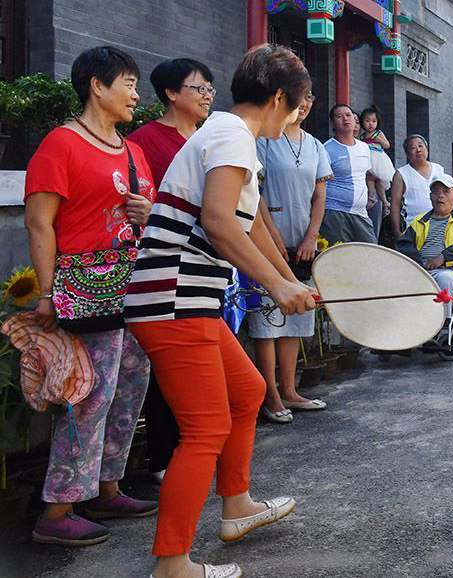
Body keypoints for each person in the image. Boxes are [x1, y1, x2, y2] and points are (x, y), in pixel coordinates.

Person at [124, 44, 317, 577]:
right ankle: (172, 564)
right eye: (300, 105)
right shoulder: (232, 134)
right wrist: (277, 289)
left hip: (187, 301)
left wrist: (291, 279)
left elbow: (247, 223)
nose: (300, 115)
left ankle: (236, 507)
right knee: (206, 429)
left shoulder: (234, 139)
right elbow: (218, 222)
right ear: (279, 97)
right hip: (174, 300)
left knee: (247, 390)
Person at [24, 45, 156, 547]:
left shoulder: (132, 149)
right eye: (128, 83)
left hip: (132, 283)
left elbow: (145, 211)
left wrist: (148, 211)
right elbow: (40, 222)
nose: (134, 94)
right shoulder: (61, 144)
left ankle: (106, 488)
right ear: (97, 85)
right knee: (89, 395)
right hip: (82, 287)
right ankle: (57, 512)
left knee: (128, 390)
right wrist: (45, 292)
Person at [127, 57, 215, 484]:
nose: (207, 97)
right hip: (167, 267)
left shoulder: (208, 139)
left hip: (209, 264)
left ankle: (195, 448)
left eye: (210, 90)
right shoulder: (144, 140)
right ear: (171, 93)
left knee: (205, 367)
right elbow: (137, 197)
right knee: (170, 370)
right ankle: (163, 458)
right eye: (199, 89)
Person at [251, 88, 332, 424]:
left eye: (311, 97)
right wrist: (271, 236)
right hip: (265, 242)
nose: (305, 104)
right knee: (267, 319)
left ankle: (290, 389)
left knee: (297, 315)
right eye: (299, 97)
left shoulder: (314, 145)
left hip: (303, 243)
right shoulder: (264, 140)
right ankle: (269, 395)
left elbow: (320, 194)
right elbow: (253, 192)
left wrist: (312, 236)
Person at [395, 173, 453, 324]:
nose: (440, 196)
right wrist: (419, 262)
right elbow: (402, 245)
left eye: (445, 192)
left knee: (445, 279)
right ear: (430, 196)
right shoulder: (420, 220)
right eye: (436, 192)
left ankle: (444, 323)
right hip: (421, 269)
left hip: (450, 270)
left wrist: (444, 256)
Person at [320, 103, 374, 244]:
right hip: (334, 212)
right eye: (339, 116)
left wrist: (371, 195)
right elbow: (319, 183)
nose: (345, 119)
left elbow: (366, 176)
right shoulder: (326, 149)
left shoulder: (364, 148)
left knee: (371, 255)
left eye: (348, 115)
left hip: (361, 212)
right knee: (338, 259)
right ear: (333, 123)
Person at [390, 134, 444, 238]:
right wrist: (397, 233)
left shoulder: (439, 169)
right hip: (415, 229)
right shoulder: (401, 174)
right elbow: (395, 205)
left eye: (421, 146)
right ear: (407, 153)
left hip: (440, 227)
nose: (418, 150)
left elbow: (449, 195)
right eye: (413, 148)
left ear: (427, 149)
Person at [358, 105, 394, 241]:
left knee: (379, 181)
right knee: (370, 178)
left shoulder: (378, 133)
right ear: (362, 122)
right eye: (367, 121)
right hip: (368, 159)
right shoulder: (361, 136)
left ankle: (384, 202)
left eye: (373, 121)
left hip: (378, 159)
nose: (370, 124)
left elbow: (387, 145)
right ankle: (371, 196)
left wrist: (381, 141)